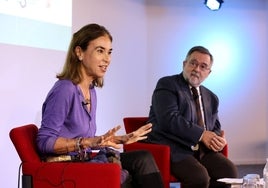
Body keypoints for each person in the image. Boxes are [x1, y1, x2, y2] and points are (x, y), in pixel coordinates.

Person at [36, 23, 164, 188]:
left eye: (109, 52)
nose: (107, 59)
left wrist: (121, 138)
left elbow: (90, 140)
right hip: (65, 168)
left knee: (143, 158)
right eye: (100, 51)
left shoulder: (90, 90)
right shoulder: (65, 89)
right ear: (79, 52)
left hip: (84, 160)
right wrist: (86, 143)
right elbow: (44, 141)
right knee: (127, 176)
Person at [146, 46, 238, 188]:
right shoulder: (167, 84)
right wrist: (201, 135)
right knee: (199, 177)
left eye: (203, 66)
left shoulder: (211, 97)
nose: (197, 69)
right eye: (193, 63)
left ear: (208, 72)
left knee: (228, 172)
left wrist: (218, 139)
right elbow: (168, 119)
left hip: (201, 151)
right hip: (173, 149)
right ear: (184, 64)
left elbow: (214, 128)